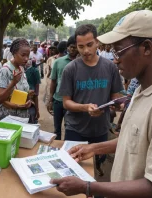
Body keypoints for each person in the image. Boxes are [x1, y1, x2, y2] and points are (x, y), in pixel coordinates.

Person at [52, 10, 152, 198]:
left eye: (118, 50)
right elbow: (132, 141)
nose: (115, 58)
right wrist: (93, 148)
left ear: (146, 48)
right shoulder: (141, 91)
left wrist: (87, 187)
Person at [59, 24, 123, 177]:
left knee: (95, 164)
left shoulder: (110, 68)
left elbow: (116, 97)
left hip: (100, 128)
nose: (85, 51)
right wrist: (85, 107)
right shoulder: (70, 69)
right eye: (80, 47)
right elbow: (66, 102)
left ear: (97, 43)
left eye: (89, 45)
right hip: (75, 129)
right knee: (73, 167)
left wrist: (117, 105)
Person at [0, 38, 32, 121]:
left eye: (28, 55)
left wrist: (28, 100)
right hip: (6, 119)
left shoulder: (21, 68)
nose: (26, 59)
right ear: (14, 54)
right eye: (23, 55)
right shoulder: (5, 71)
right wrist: (13, 83)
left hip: (20, 118)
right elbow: (0, 99)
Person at [47, 35, 78, 140]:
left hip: (73, 102)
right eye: (71, 47)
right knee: (57, 130)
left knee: (70, 129)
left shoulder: (82, 63)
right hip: (58, 100)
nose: (73, 49)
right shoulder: (58, 62)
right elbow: (53, 81)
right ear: (67, 47)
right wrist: (50, 100)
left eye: (75, 47)